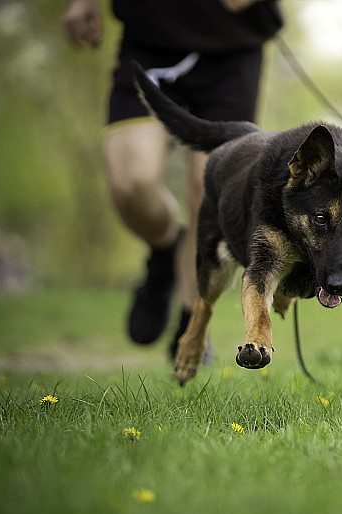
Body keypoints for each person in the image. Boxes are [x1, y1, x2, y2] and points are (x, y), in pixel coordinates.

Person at [63, 0, 283, 358]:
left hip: (233, 50)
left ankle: (191, 320)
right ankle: (165, 250)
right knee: (131, 183)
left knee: (206, 191)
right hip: (151, 41)